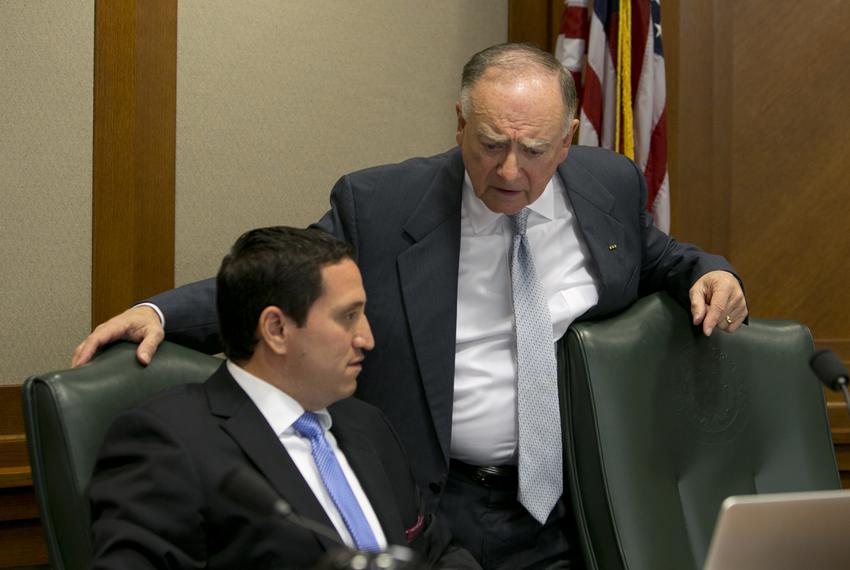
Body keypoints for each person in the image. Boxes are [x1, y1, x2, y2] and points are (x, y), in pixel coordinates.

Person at [75, 43, 747, 569]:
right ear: (459, 124)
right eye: (490, 144)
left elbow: (655, 254)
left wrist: (710, 271)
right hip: (435, 502)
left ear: (568, 140)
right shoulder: (382, 204)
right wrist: (160, 314)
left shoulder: (609, 185)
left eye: (534, 151)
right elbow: (287, 280)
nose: (509, 171)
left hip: (573, 500)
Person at [88, 227, 480, 569]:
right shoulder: (171, 443)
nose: (367, 338)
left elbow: (437, 554)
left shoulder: (368, 425)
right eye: (348, 316)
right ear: (276, 328)